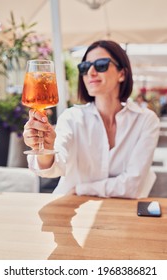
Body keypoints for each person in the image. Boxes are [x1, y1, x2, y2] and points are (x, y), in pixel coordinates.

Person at [23, 40, 160, 199]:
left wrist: (81, 189)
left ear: (122, 73)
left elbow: (132, 186)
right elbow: (54, 167)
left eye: (101, 64)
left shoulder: (145, 121)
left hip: (119, 213)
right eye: (85, 67)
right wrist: (45, 149)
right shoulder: (72, 117)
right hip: (68, 211)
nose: (91, 72)